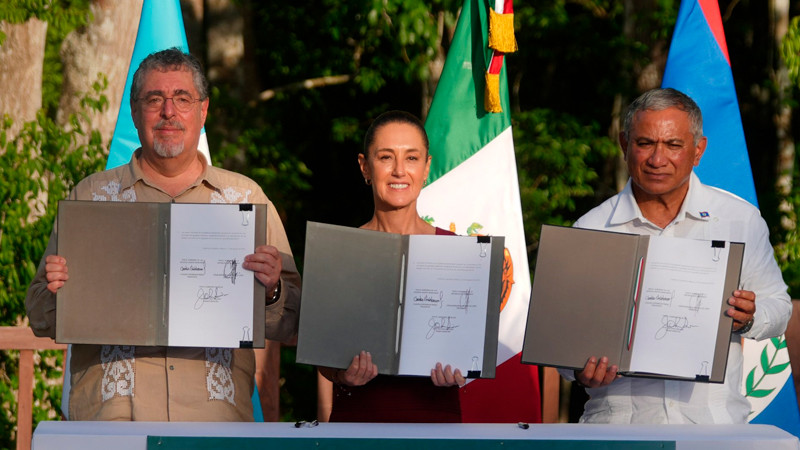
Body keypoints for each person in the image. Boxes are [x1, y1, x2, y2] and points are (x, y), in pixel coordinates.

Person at [25, 48, 301, 421]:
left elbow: (293, 322)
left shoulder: (246, 198)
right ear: (134, 112)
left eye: (182, 99)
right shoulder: (90, 197)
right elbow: (40, 318)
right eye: (154, 99)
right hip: (114, 422)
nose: (168, 111)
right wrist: (57, 290)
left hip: (213, 422)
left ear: (203, 111)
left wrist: (271, 291)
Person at [560, 88, 791, 424]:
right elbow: (563, 335)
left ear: (698, 150)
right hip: (618, 428)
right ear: (625, 144)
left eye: (673, 145)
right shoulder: (591, 228)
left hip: (714, 428)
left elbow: (780, 307)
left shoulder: (739, 220)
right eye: (645, 143)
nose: (658, 159)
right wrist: (579, 370)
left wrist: (750, 317)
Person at [317, 110, 465, 423]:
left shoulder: (459, 253)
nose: (399, 171)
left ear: (427, 167)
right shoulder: (338, 252)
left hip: (436, 424)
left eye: (411, 158)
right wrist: (342, 375)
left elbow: (469, 347)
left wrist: (461, 368)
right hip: (358, 423)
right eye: (386, 157)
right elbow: (323, 357)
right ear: (365, 167)